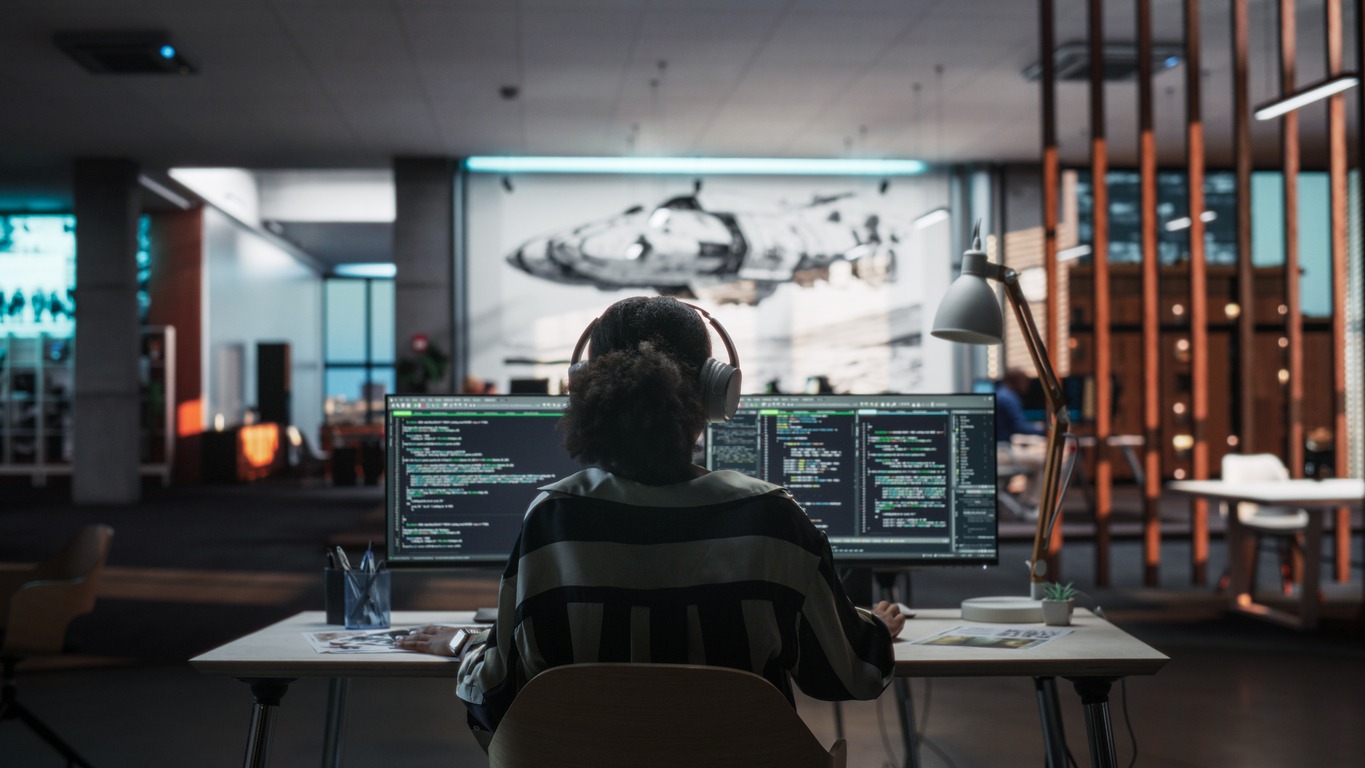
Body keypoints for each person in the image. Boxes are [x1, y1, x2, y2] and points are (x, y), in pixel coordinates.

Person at [397, 296, 904, 745]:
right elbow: (851, 676)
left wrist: (464, 643)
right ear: (715, 393)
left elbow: (496, 692)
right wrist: (874, 630)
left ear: (584, 388)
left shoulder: (553, 520)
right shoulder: (773, 518)